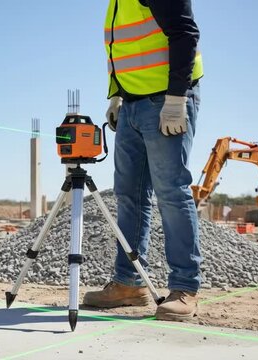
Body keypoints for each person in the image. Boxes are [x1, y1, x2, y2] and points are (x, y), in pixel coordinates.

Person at [83, 0, 204, 322]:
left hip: (166, 99)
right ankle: (129, 283)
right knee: (129, 196)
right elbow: (119, 51)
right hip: (133, 104)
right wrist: (117, 95)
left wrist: (177, 98)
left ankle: (184, 288)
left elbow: (184, 33)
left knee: (172, 193)